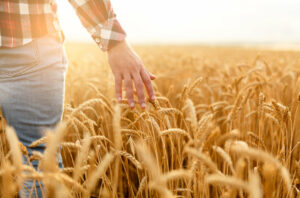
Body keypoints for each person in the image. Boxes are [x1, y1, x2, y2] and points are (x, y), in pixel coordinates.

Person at [0, 0, 156, 197]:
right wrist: (115, 41)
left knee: (40, 162)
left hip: (28, 48)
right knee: (40, 163)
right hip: (29, 45)